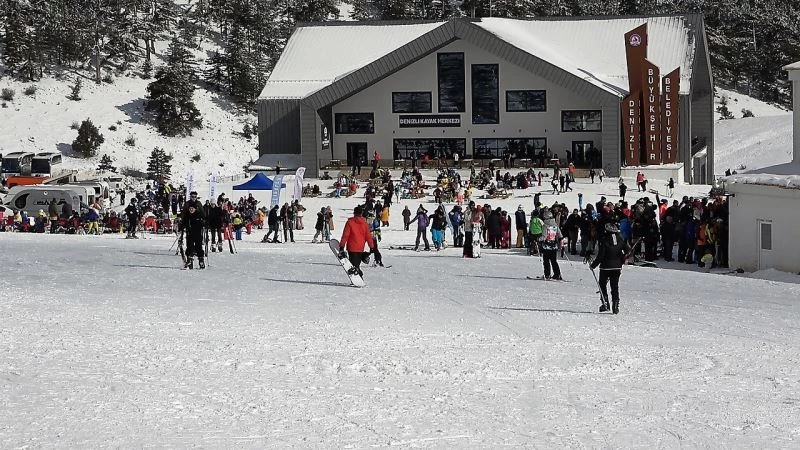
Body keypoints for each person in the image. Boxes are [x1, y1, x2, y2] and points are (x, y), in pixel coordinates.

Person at [590, 223, 631, 314]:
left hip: (605, 267)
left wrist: (593, 265)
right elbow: (629, 250)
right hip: (617, 267)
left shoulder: (604, 241)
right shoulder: (620, 240)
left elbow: (600, 256)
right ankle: (615, 306)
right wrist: (623, 257)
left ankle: (605, 304)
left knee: (602, 285)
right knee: (614, 286)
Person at [338, 205, 376, 278]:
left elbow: (345, 235)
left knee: (354, 264)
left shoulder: (350, 222)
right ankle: (358, 275)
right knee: (356, 264)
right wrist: (371, 247)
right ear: (361, 213)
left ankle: (359, 274)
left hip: (351, 247)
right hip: (360, 247)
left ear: (354, 213)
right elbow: (368, 236)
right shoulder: (365, 224)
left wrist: (341, 246)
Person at [181, 191, 206, 269]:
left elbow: (203, 215)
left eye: (195, 196)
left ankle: (201, 260)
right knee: (190, 246)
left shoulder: (199, 204)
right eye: (192, 196)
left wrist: (204, 222)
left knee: (198, 246)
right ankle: (189, 260)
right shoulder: (187, 204)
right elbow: (183, 216)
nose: (193, 198)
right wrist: (181, 226)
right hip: (189, 231)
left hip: (198, 232)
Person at [539, 208, 562, 280]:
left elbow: (544, 236)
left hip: (546, 246)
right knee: (554, 261)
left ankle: (547, 274)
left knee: (546, 261)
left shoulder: (545, 226)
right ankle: (557, 274)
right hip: (554, 246)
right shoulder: (555, 225)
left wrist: (539, 239)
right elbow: (559, 234)